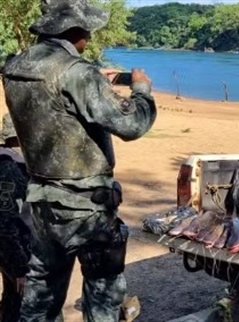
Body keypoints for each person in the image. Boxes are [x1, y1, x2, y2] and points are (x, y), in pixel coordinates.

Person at [1, 0, 157, 320]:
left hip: (43, 201)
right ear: (74, 31)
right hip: (86, 206)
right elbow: (132, 126)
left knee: (41, 293)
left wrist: (94, 83)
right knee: (102, 290)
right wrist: (141, 90)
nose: (89, 38)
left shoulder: (14, 67)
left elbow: (54, 101)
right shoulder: (78, 73)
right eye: (87, 31)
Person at [0, 114, 31, 322]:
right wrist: (20, 268)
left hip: (10, 251)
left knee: (12, 298)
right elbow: (4, 224)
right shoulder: (11, 167)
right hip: (16, 252)